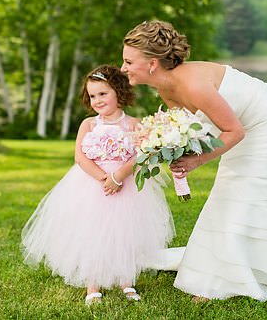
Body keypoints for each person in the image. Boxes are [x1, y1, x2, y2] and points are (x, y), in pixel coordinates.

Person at [121, 20, 267, 302]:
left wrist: (196, 162)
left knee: (246, 192)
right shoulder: (165, 89)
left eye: (128, 61)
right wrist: (171, 149)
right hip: (239, 126)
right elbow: (192, 129)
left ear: (152, 64)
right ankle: (235, 266)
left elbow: (234, 131)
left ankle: (229, 279)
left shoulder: (194, 85)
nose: (122, 68)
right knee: (230, 191)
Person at [21, 65, 175, 306]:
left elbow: (142, 155)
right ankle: (92, 284)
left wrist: (119, 176)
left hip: (127, 185)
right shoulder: (89, 125)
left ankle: (126, 280)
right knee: (91, 231)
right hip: (93, 184)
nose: (97, 100)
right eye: (93, 96)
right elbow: (81, 157)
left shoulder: (134, 124)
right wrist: (104, 178)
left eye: (103, 94)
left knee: (126, 231)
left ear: (119, 92)